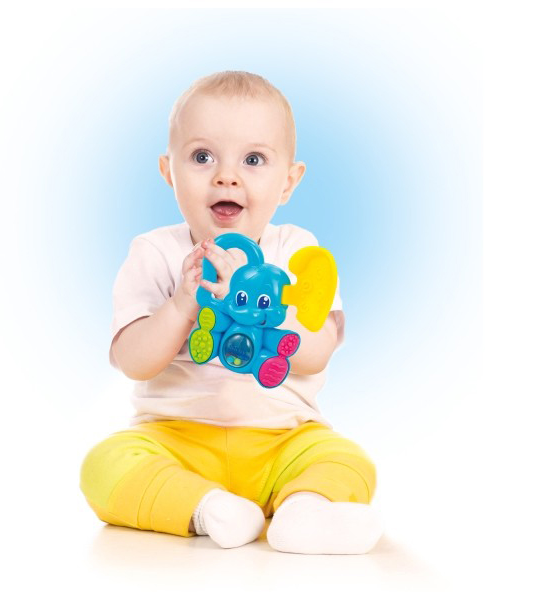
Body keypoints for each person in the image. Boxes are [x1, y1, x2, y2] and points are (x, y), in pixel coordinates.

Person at [79, 71, 383, 554]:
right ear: (168, 171)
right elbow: (134, 361)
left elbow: (317, 351)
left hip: (282, 442)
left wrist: (266, 304)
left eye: (253, 160)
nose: (226, 176)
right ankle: (210, 508)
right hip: (176, 441)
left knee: (347, 460)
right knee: (103, 465)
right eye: (202, 157)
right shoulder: (155, 253)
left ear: (288, 181)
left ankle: (303, 510)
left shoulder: (297, 251)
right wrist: (183, 303)